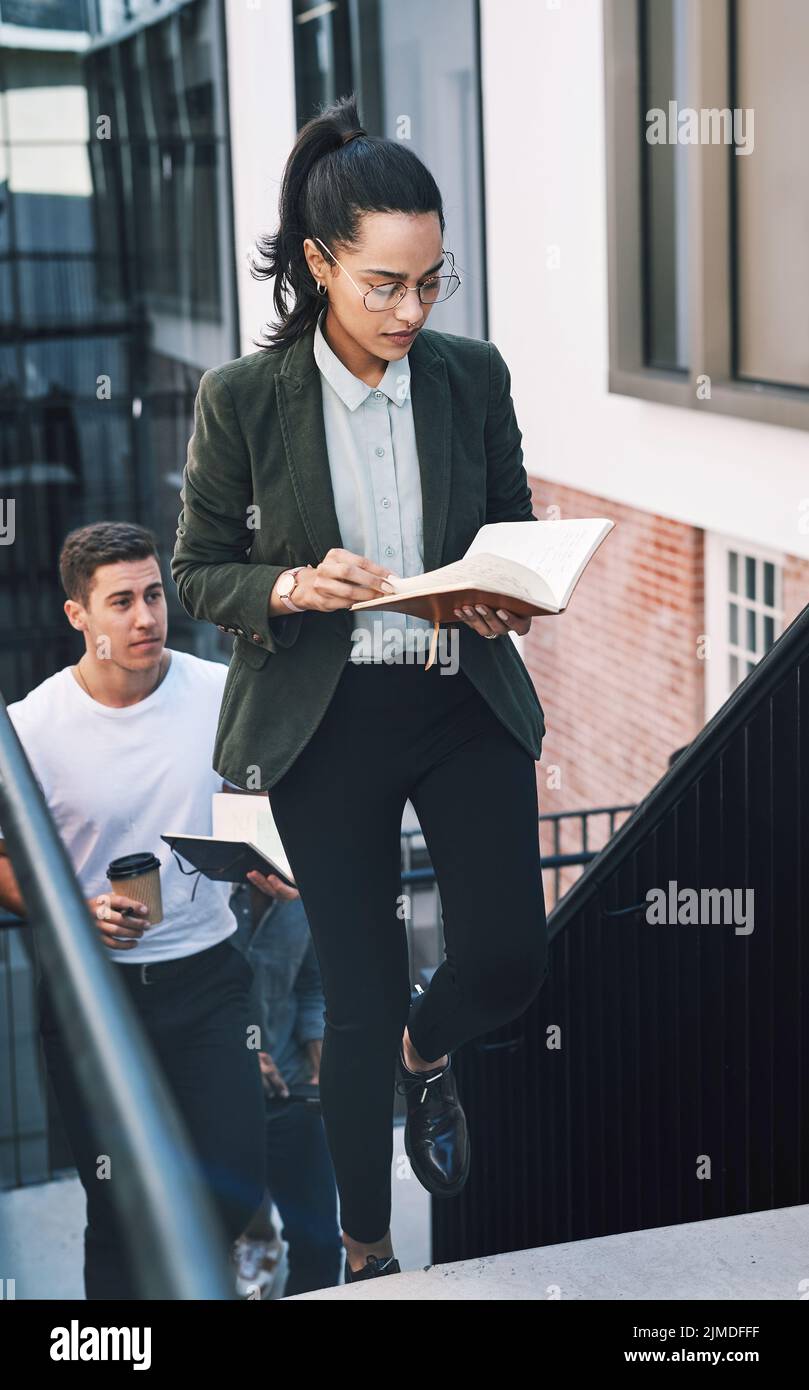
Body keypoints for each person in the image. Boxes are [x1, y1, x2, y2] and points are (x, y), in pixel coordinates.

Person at [171, 93, 549, 1283]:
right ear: (322, 263)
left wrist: (495, 589)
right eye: (384, 283)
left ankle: (424, 1057)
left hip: (455, 696)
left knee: (503, 963)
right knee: (355, 986)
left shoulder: (467, 376)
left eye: (430, 281)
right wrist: (289, 585)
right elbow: (197, 573)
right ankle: (366, 1250)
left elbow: (511, 532)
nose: (410, 309)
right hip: (325, 721)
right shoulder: (242, 397)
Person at [0, 521, 277, 1299]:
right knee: (119, 1208)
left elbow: (246, 798)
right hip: (95, 997)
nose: (145, 617)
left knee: (232, 1183)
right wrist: (71, 908)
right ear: (77, 616)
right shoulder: (31, 728)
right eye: (120, 601)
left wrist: (260, 853)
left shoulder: (218, 691)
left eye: (153, 594)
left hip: (209, 975)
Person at [229, 869, 343, 1296]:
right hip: (218, 1082)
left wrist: (320, 1063)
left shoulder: (304, 890)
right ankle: (256, 1240)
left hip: (290, 1082)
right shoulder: (203, 892)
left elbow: (311, 983)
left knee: (320, 1243)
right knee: (232, 1216)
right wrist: (237, 1055)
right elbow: (185, 995)